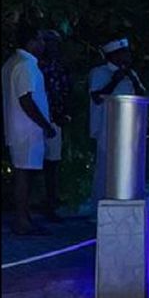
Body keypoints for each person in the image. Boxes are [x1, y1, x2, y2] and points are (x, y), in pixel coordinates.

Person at [2, 22, 58, 235]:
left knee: (22, 173)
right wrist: (45, 125)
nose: (43, 44)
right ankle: (22, 221)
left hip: (19, 129)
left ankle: (24, 217)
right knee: (24, 175)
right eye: (40, 39)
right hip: (27, 130)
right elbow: (25, 99)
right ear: (31, 41)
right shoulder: (26, 65)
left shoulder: (12, 62)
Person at [88, 38, 146, 205]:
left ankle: (127, 199)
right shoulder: (100, 72)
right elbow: (97, 98)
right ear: (114, 55)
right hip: (107, 127)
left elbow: (142, 94)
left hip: (129, 128)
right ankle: (102, 201)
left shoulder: (130, 73)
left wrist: (133, 79)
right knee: (106, 165)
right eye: (124, 53)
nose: (128, 56)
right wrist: (115, 80)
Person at [38, 29, 71, 222]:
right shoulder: (37, 66)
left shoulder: (59, 66)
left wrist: (65, 114)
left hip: (55, 120)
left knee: (52, 163)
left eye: (55, 43)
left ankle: (50, 205)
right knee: (35, 164)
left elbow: (65, 91)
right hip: (37, 120)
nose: (53, 47)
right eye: (49, 43)